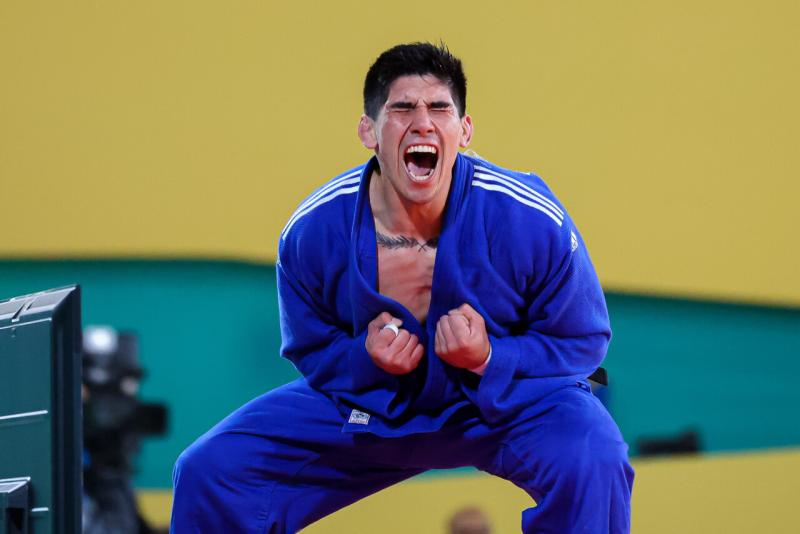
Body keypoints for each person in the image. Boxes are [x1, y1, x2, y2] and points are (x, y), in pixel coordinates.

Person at [171, 42, 634, 533]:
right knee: (211, 471)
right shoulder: (312, 232)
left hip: (503, 404)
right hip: (370, 405)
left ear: (465, 129)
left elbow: (582, 340)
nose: (423, 122)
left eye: (439, 108)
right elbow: (311, 348)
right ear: (368, 130)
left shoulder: (530, 217)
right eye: (402, 108)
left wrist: (491, 358)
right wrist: (364, 358)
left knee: (596, 458)